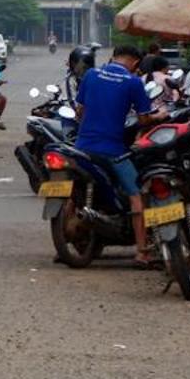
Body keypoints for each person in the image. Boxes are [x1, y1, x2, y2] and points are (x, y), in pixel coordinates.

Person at [73, 45, 167, 269]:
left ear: (113, 57)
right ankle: (142, 252)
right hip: (113, 149)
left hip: (83, 146)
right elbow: (143, 120)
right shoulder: (133, 82)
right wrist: (160, 115)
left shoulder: (91, 74)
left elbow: (79, 111)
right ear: (135, 63)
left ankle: (68, 242)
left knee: (73, 188)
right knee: (137, 193)